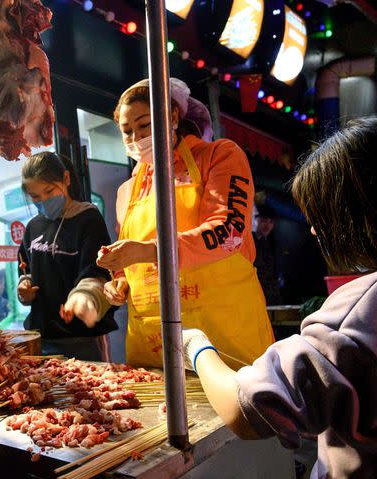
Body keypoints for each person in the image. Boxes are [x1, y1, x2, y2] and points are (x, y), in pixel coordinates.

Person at [180, 117, 377, 479]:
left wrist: (197, 347)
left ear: (350, 215)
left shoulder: (357, 313)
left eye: (319, 219)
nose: (315, 234)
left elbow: (243, 409)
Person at [97, 78, 274, 369]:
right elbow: (127, 267)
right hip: (153, 346)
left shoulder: (220, 156)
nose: (135, 139)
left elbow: (228, 232)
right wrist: (119, 283)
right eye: (126, 132)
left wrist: (149, 251)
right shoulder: (126, 191)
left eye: (143, 125)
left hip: (224, 339)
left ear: (173, 116)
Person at [17, 152, 117, 361]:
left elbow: (98, 269)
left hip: (81, 340)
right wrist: (24, 288)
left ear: (66, 179)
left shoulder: (88, 219)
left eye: (49, 191)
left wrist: (83, 298)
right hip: (40, 337)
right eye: (35, 196)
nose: (43, 200)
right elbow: (25, 268)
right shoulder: (33, 226)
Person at [252, 202, 282, 305]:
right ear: (255, 220)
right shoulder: (249, 242)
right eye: (264, 220)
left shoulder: (270, 242)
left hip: (270, 296)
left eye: (271, 222)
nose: (267, 225)